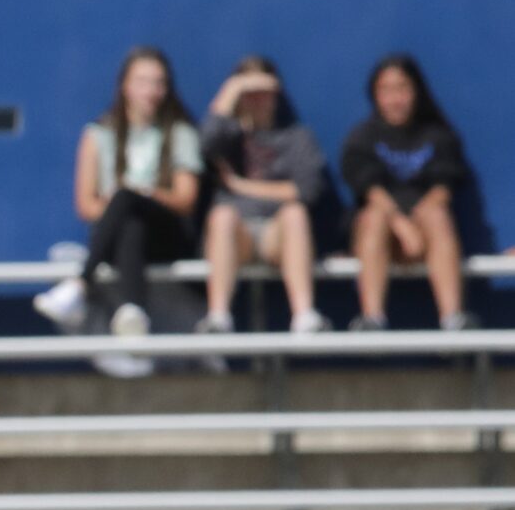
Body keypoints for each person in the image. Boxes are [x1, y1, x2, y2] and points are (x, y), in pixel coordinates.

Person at [35, 46, 203, 345]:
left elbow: (185, 199)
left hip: (166, 238)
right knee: (130, 219)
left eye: (158, 82)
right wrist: (128, 202)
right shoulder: (98, 134)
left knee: (127, 199)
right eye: (142, 81)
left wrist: (144, 194)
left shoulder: (181, 133)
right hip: (120, 241)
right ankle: (132, 311)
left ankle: (79, 285)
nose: (151, 91)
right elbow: (86, 206)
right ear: (124, 85)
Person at [341, 54, 474, 331]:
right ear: (375, 94)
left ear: (416, 91)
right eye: (386, 90)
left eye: (402, 88)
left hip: (427, 233)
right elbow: (369, 190)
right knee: (374, 216)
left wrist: (418, 223)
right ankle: (372, 318)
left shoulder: (438, 136)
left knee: (437, 215)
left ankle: (453, 318)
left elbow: (443, 188)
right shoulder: (362, 137)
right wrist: (402, 225)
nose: (394, 98)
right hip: (381, 234)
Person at [197, 57, 329, 336]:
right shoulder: (226, 136)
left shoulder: (297, 137)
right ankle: (218, 317)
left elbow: (307, 190)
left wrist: (240, 186)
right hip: (236, 236)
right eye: (249, 93)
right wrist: (233, 89)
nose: (257, 99)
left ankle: (305, 316)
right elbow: (204, 145)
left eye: (263, 92)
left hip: (277, 236)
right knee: (221, 217)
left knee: (294, 213)